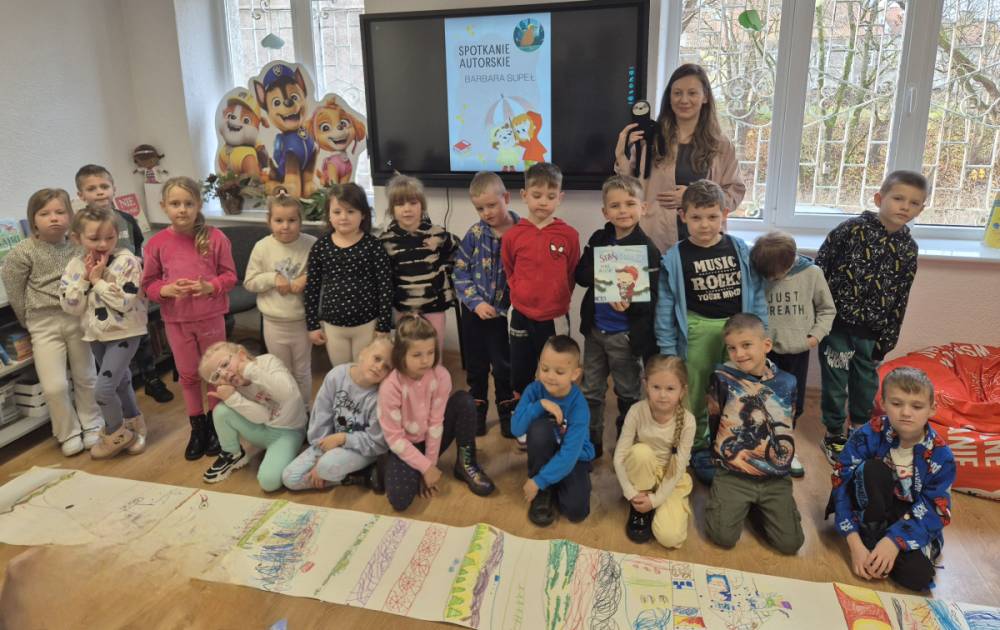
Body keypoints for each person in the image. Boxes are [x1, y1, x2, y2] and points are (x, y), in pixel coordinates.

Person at [654, 179, 767, 485]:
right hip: (697, 329)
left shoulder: (740, 249)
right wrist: (667, 348)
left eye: (712, 216)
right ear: (683, 216)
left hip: (737, 331)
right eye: (696, 217)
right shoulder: (675, 256)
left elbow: (757, 292)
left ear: (725, 214)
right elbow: (665, 305)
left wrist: (760, 334)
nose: (704, 225)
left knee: (734, 390)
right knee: (694, 391)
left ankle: (729, 442)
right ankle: (696, 445)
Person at [815, 170, 926, 464]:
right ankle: (834, 434)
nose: (905, 207)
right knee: (835, 383)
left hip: (872, 331)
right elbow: (819, 270)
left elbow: (901, 296)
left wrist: (888, 338)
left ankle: (859, 430)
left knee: (865, 385)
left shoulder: (908, 249)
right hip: (836, 326)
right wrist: (817, 318)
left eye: (914, 203)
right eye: (898, 198)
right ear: (879, 199)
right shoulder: (850, 231)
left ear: (921, 209)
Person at [826, 367, 955, 592]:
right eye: (896, 404)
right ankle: (869, 536)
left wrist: (893, 542)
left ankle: (879, 545)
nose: (906, 412)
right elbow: (841, 483)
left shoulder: (942, 456)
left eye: (916, 406)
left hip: (911, 513)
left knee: (918, 577)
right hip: (870, 504)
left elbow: (935, 508)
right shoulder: (869, 433)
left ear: (932, 409)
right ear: (883, 403)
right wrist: (854, 544)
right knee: (874, 470)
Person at [0, 189, 103, 456]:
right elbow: (15, 291)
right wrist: (27, 320)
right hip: (43, 323)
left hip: (77, 318)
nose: (54, 218)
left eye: (60, 212)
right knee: (55, 385)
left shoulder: (79, 246)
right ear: (33, 219)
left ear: (70, 216)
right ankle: (67, 431)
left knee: (86, 376)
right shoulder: (23, 252)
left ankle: (92, 422)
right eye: (45, 214)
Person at [141, 176, 237, 460]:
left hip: (211, 318)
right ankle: (198, 427)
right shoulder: (156, 243)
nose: (182, 209)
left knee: (215, 373)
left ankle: (217, 424)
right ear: (163, 206)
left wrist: (211, 287)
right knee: (188, 375)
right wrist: (166, 290)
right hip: (177, 321)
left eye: (188, 203)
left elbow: (230, 276)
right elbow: (148, 285)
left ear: (198, 205)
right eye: (175, 204)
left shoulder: (216, 238)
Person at [614, 63, 745, 252]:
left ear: (705, 97)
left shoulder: (721, 145)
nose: (684, 100)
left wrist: (694, 197)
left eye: (692, 93)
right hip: (655, 239)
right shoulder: (650, 139)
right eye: (677, 93)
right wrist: (621, 155)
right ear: (669, 97)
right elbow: (628, 189)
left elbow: (735, 192)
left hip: (705, 243)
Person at [704, 313, 803, 554]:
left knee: (791, 544)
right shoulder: (722, 378)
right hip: (733, 474)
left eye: (746, 345)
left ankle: (759, 510)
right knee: (722, 537)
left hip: (774, 478)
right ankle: (729, 500)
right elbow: (714, 418)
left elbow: (790, 418)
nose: (739, 353)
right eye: (732, 348)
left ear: (766, 345)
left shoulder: (788, 382)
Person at [74, 164, 173, 403]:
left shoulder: (127, 219)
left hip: (128, 288)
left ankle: (151, 378)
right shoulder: (80, 223)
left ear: (114, 189)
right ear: (81, 195)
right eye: (91, 189)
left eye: (104, 186)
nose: (100, 192)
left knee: (141, 334)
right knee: (108, 341)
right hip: (100, 291)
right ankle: (117, 386)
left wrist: (140, 269)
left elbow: (138, 247)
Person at [576, 174, 659, 456]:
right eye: (615, 205)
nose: (623, 210)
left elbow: (652, 299)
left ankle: (627, 443)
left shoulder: (648, 249)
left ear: (643, 208)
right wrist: (605, 270)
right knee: (591, 390)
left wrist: (630, 303)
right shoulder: (599, 239)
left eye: (630, 203)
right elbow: (580, 275)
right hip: (595, 332)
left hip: (625, 337)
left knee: (628, 392)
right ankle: (592, 443)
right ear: (605, 212)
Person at [378, 313, 495, 512]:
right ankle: (383, 465)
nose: (425, 360)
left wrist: (430, 467)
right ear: (400, 354)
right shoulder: (390, 387)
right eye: (417, 355)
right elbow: (395, 438)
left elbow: (435, 424)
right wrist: (425, 468)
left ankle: (465, 463)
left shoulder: (441, 376)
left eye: (430, 352)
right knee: (399, 500)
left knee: (465, 401)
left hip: (432, 437)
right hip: (405, 444)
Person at [501, 163, 580, 446]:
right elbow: (509, 269)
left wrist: (557, 297)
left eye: (550, 196)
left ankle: (558, 418)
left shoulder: (568, 235)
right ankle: (524, 418)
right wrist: (522, 293)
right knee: (521, 370)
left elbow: (571, 272)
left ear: (560, 198)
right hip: (521, 314)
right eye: (537, 195)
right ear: (524, 195)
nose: (543, 202)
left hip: (554, 316)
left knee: (557, 369)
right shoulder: (513, 235)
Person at [59, 206, 148, 458]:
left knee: (103, 390)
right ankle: (135, 424)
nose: (103, 244)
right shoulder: (75, 265)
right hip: (95, 335)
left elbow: (124, 302)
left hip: (125, 332)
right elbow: (70, 306)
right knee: (121, 382)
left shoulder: (127, 261)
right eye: (94, 238)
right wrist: (85, 280)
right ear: (77, 238)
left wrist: (98, 281)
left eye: (110, 237)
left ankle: (116, 433)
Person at [750, 230, 836, 477]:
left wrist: (814, 337)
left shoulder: (812, 273)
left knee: (792, 402)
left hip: (797, 352)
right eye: (768, 276)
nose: (772, 279)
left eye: (776, 274)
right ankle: (761, 446)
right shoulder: (760, 272)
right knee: (761, 400)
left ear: (790, 261)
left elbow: (827, 310)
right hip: (764, 351)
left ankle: (786, 447)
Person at [453, 171, 519, 436]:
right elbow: (460, 271)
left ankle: (507, 410)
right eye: (480, 208)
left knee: (505, 366)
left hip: (506, 315)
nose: (487, 213)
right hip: (475, 313)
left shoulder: (522, 232)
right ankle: (477, 411)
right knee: (477, 365)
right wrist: (475, 302)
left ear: (506, 198)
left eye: (492, 205)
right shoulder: (475, 233)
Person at [282, 337, 392, 492]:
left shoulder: (381, 396)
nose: (379, 367)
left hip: (361, 449)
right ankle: (353, 477)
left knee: (325, 466)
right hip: (329, 443)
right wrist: (321, 452)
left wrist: (342, 439)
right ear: (363, 353)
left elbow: (377, 442)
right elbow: (321, 417)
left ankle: (354, 471)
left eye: (387, 367)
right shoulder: (336, 376)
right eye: (377, 358)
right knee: (290, 478)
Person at [305, 183, 393, 367]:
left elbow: (385, 287)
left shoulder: (373, 246)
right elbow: (312, 288)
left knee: (364, 371)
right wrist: (312, 324)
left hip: (367, 324)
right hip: (333, 325)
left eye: (351, 211)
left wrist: (384, 325)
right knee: (340, 372)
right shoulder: (321, 247)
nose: (343, 217)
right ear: (329, 215)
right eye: (337, 212)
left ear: (363, 214)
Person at [197, 341, 306, 491]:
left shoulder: (268, 362)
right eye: (216, 376)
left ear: (241, 355)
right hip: (262, 428)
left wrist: (250, 370)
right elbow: (262, 417)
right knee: (221, 411)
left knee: (268, 482)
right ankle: (233, 454)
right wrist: (231, 398)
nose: (224, 374)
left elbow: (286, 393)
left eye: (225, 364)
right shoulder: (233, 386)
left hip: (288, 432)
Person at [510, 335, 594, 527]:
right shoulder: (533, 391)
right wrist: (539, 405)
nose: (550, 376)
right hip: (544, 451)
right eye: (545, 368)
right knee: (540, 429)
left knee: (576, 511)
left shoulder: (579, 406)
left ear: (575, 374)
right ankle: (545, 488)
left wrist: (539, 480)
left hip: (573, 457)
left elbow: (570, 454)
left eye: (559, 371)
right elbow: (516, 428)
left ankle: (551, 479)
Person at [613, 355, 695, 547]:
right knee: (640, 452)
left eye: (670, 389)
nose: (662, 395)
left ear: (682, 391)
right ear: (646, 385)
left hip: (671, 477)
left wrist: (657, 500)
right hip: (643, 471)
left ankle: (657, 505)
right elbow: (619, 456)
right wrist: (631, 493)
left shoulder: (688, 422)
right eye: (656, 387)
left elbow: (679, 468)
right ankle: (640, 506)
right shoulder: (636, 411)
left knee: (670, 537)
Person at [243, 194, 317, 403]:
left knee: (302, 371)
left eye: (292, 220)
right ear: (269, 221)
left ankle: (304, 410)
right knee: (281, 371)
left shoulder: (312, 244)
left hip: (302, 321)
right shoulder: (262, 247)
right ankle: (287, 409)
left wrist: (307, 278)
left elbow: (326, 275)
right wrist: (273, 278)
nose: (285, 226)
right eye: (279, 220)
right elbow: (250, 282)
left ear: (300, 221)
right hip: (273, 322)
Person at [379, 174, 458, 354]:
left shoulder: (437, 233)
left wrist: (441, 241)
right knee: (407, 354)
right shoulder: (386, 241)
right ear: (392, 209)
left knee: (434, 353)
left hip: (435, 308)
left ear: (422, 205)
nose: (407, 209)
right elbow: (384, 279)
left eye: (413, 203)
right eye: (400, 204)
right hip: (404, 309)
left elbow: (458, 250)